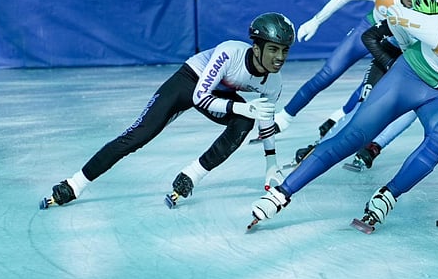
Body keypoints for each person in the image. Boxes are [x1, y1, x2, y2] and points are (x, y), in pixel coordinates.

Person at [250, 0, 438, 233]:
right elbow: (395, 14)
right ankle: (281, 193)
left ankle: (388, 196)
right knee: (352, 138)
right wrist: (399, 51)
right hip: (408, 78)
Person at [40, 12, 295, 210]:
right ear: (256, 47)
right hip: (189, 82)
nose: (279, 57)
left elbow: (265, 119)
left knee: (244, 122)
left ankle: (191, 176)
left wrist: (270, 162)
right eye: (273, 49)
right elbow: (200, 96)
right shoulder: (230, 52)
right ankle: (74, 184)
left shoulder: (274, 82)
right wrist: (242, 106)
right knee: (137, 135)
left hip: (220, 94)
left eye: (284, 50)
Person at [289, 0, 438, 176]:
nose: (434, 22)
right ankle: (318, 147)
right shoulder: (402, 16)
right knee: (363, 107)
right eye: (428, 16)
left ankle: (372, 148)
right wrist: (388, 63)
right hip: (392, 60)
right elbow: (368, 36)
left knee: (411, 111)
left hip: (409, 68)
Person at [283, 0, 435, 138]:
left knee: (370, 88)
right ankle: (285, 116)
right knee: (328, 73)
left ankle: (340, 116)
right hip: (369, 31)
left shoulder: (427, 8)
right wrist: (316, 20)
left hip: (393, 44)